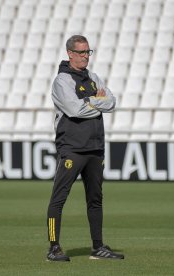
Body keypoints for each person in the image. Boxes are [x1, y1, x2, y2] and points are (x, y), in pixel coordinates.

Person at [46, 35, 123, 261]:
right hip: (72, 148)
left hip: (95, 147)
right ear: (70, 53)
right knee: (58, 199)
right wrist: (96, 102)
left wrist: (91, 102)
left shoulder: (93, 77)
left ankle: (98, 247)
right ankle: (53, 248)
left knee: (95, 199)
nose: (85, 57)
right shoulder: (62, 81)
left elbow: (111, 101)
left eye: (88, 52)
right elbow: (74, 110)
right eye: (81, 52)